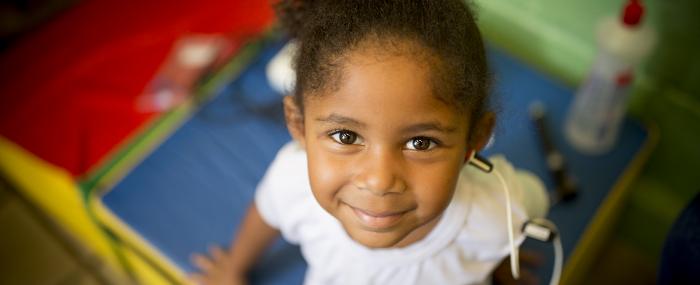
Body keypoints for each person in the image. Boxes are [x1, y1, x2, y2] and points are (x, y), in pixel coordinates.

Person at [191, 0, 547, 284]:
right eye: (346, 137)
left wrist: (499, 260)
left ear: (476, 139)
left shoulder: (495, 211)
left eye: (421, 143)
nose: (378, 180)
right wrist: (234, 269)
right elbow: (267, 213)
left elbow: (526, 209)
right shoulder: (292, 183)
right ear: (298, 125)